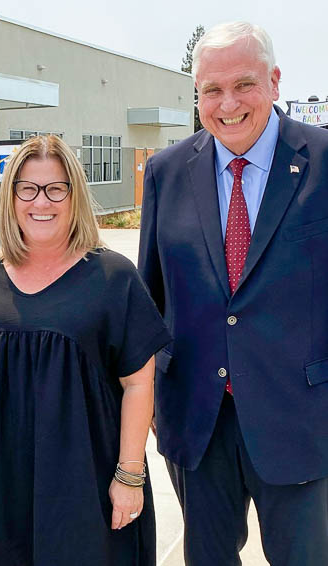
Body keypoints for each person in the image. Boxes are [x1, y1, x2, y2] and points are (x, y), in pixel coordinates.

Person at [139, 21, 328, 565]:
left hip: (299, 418)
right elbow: (150, 299)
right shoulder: (165, 172)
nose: (227, 103)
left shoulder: (322, 161)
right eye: (210, 90)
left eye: (243, 84)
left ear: (273, 81)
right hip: (197, 421)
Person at [0, 134, 170, 566]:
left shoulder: (113, 275)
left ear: (74, 196)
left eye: (56, 188)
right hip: (5, 474)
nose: (42, 202)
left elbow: (138, 382)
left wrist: (129, 475)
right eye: (28, 188)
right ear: (11, 197)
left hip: (85, 475)